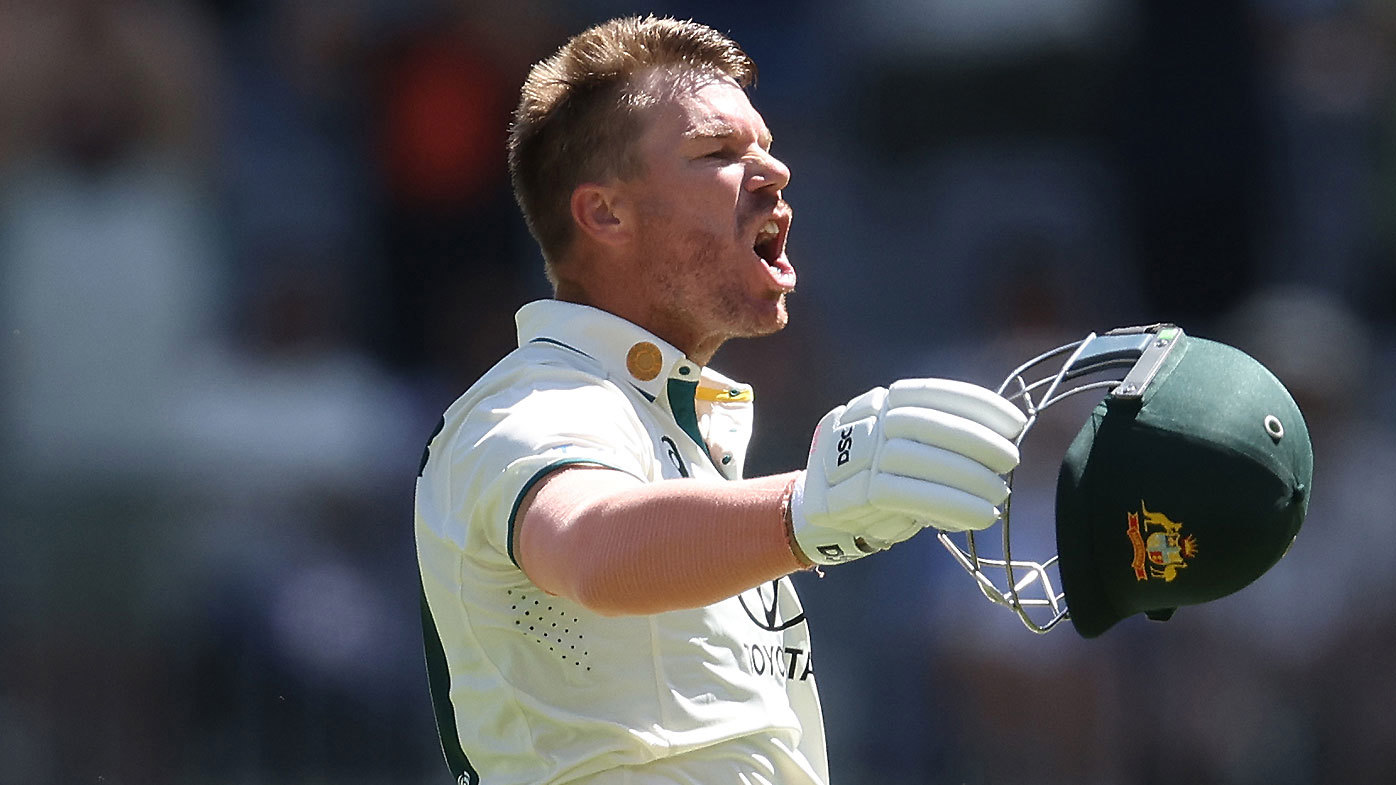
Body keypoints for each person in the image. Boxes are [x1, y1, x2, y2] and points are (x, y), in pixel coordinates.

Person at [414, 15, 1028, 785]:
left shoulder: (668, 424)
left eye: (766, 146)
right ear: (605, 213)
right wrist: (808, 509)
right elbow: (592, 547)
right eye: (718, 153)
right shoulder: (538, 400)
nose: (774, 171)